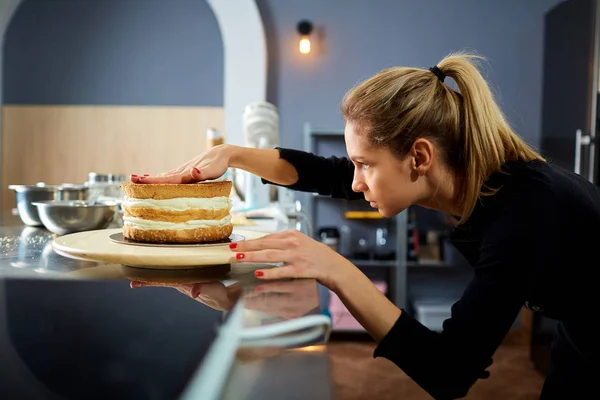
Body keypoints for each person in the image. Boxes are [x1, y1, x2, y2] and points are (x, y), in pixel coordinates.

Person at [131, 52, 598, 399]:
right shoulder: (464, 179)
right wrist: (232, 155)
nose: (354, 181)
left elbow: (450, 372)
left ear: (419, 156)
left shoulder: (522, 210)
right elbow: (324, 172)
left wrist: (335, 269)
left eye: (364, 165)